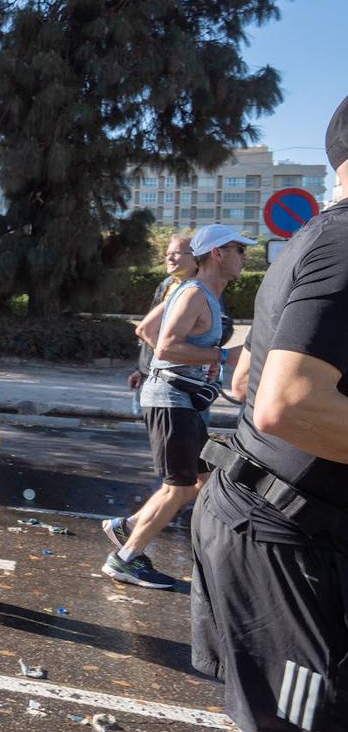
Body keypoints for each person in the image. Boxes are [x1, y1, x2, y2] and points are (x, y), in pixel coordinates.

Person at [190, 97, 348, 732]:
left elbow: (251, 375)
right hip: (278, 537)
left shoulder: (317, 242)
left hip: (296, 528)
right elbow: (284, 402)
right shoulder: (342, 242)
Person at [101, 223, 252, 589]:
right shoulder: (195, 295)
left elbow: (148, 331)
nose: (245, 258)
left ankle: (129, 526)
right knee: (180, 487)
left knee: (201, 480)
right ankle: (125, 559)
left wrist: (201, 360)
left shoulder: (196, 292)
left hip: (181, 398)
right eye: (239, 250)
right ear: (217, 253)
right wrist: (219, 355)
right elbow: (166, 346)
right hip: (171, 400)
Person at [128, 235, 197, 410]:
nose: (170, 258)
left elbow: (222, 328)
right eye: (167, 254)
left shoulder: (202, 289)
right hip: (151, 374)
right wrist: (140, 368)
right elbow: (149, 329)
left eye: (176, 253)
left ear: (195, 256)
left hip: (180, 380)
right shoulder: (166, 285)